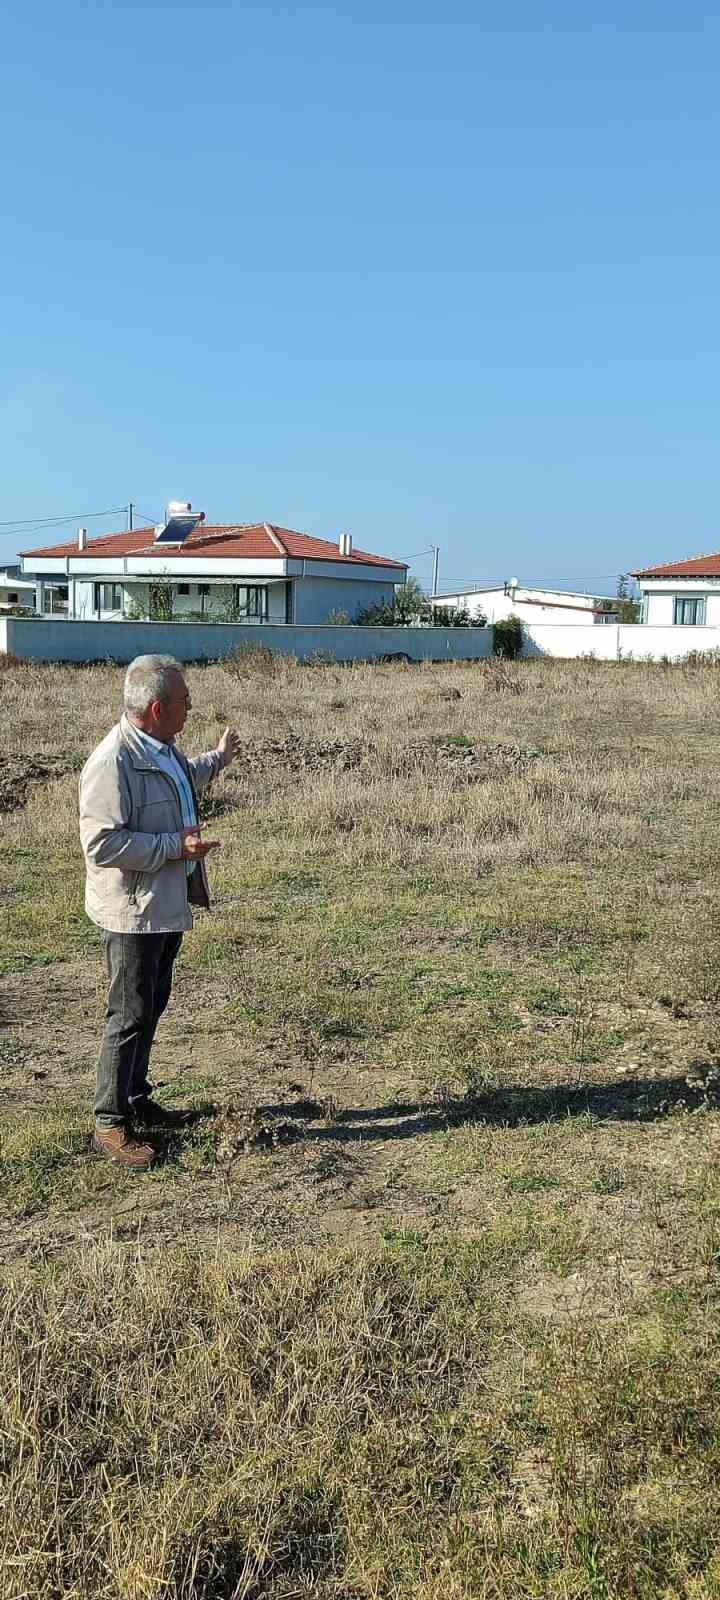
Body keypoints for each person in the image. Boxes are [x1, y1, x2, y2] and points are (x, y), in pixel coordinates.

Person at [79, 654, 241, 1169]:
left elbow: (181, 778)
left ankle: (135, 1098)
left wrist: (218, 759)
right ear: (156, 708)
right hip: (133, 913)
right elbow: (101, 844)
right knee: (129, 1014)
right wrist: (174, 846)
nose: (190, 707)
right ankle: (110, 1123)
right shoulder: (113, 762)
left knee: (150, 1005)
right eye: (184, 700)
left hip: (162, 906)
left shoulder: (160, 747)